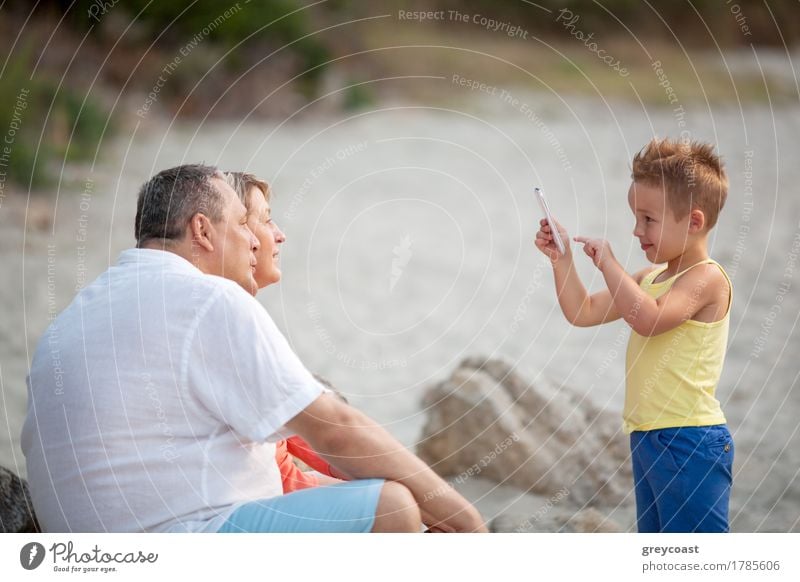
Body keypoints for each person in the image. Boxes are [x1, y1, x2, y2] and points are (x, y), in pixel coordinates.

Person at [21, 164, 486, 533]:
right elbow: (337, 430)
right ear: (203, 231)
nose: (255, 238)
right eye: (245, 223)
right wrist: (465, 519)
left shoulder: (72, 316)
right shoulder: (206, 299)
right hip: (177, 539)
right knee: (392, 508)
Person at [535, 137, 734, 533]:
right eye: (635, 217)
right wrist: (564, 261)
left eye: (648, 219)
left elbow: (651, 319)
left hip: (690, 439)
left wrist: (608, 263)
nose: (636, 230)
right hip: (647, 439)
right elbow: (583, 311)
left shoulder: (707, 279)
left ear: (693, 222)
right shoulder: (649, 278)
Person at [223, 170, 345, 493]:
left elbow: (299, 442)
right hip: (256, 512)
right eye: (265, 221)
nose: (280, 235)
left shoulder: (238, 317)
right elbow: (285, 478)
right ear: (235, 233)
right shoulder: (230, 325)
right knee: (398, 503)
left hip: (276, 494)